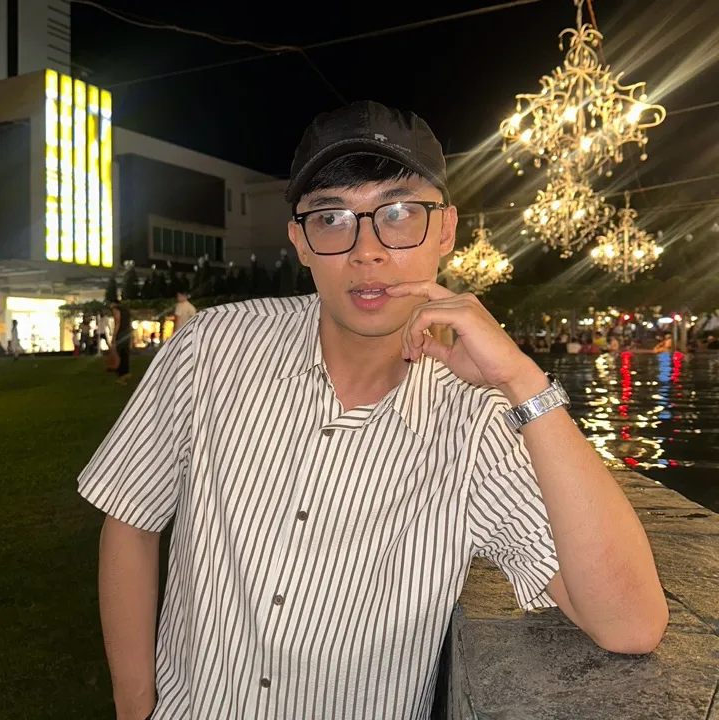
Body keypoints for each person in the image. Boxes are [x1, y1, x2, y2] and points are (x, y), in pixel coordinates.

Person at [78, 101, 667, 720]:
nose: (367, 251)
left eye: (399, 213)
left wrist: (523, 381)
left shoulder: (477, 423)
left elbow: (629, 623)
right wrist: (134, 706)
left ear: (445, 230)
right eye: (331, 218)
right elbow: (131, 514)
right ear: (300, 242)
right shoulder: (211, 349)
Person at [110, 301, 132, 384]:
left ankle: (121, 376)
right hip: (127, 334)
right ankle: (127, 372)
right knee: (125, 354)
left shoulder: (116, 310)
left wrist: (114, 336)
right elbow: (130, 324)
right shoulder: (126, 311)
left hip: (121, 334)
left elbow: (117, 323)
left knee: (120, 355)